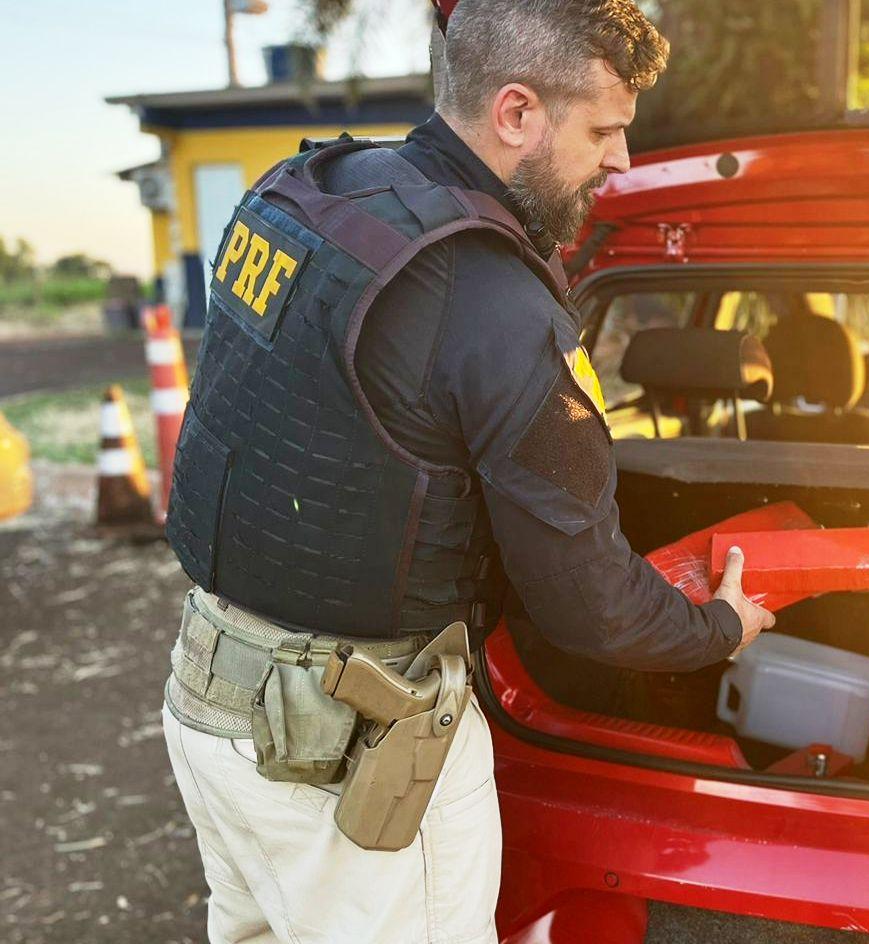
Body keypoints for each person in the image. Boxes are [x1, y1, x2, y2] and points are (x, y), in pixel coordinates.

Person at [158, 1, 774, 940]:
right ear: (517, 113)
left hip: (209, 701)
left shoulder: (310, 188)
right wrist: (719, 628)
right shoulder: (493, 305)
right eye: (605, 129)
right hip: (352, 758)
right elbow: (589, 604)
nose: (622, 161)